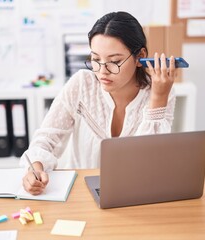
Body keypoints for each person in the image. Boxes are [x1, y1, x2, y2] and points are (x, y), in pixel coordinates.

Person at [20, 11, 176, 195]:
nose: (102, 71)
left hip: (134, 193)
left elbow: (150, 162)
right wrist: (35, 168)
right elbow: (46, 139)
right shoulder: (81, 84)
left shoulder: (159, 90)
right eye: (95, 59)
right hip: (81, 191)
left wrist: (158, 98)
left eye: (115, 61)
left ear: (140, 56)